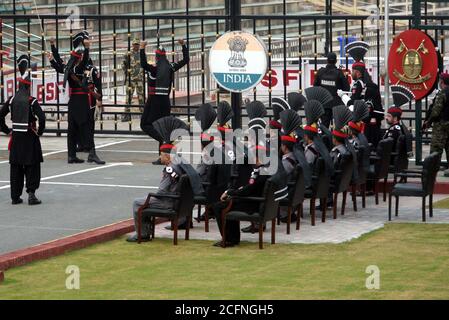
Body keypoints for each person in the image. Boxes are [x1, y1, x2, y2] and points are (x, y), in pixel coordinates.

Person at [0, 57, 45, 205]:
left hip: (17, 137)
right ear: (28, 86)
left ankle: (15, 196)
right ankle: (31, 194)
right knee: (32, 165)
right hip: (30, 136)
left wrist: (7, 130)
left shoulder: (12, 99)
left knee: (16, 167)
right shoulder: (32, 101)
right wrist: (40, 131)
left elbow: (0, 115)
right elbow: (42, 117)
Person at [140, 39, 189, 165]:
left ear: (156, 58)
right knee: (162, 128)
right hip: (165, 102)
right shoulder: (170, 68)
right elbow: (186, 60)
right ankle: (163, 153)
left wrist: (142, 48)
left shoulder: (154, 69)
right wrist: (183, 45)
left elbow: (143, 64)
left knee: (145, 124)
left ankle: (164, 141)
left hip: (154, 102)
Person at [339, 41, 384, 149]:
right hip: (374, 120)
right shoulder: (370, 84)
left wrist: (342, 96)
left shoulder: (358, 83)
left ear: (358, 73)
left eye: (353, 70)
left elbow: (352, 102)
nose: (351, 72)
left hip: (363, 121)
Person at [314, 52, 350, 128]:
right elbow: (347, 88)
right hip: (336, 105)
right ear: (336, 61)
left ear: (327, 60)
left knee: (324, 127)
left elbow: (315, 87)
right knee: (338, 127)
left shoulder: (320, 72)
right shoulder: (339, 73)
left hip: (324, 104)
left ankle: (325, 139)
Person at [423, 72, 449, 176]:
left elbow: (436, 111)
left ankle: (432, 169)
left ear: (442, 82)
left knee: (436, 148)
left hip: (441, 125)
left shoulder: (442, 92)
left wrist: (428, 122)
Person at [383, 85, 415, 152]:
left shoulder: (393, 130)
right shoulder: (400, 128)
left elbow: (388, 147)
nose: (386, 118)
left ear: (395, 118)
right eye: (386, 116)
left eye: (389, 116)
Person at [122, 37, 145, 122]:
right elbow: (123, 64)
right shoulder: (128, 53)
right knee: (128, 98)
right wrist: (128, 73)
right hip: (130, 79)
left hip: (139, 79)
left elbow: (144, 64)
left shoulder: (141, 53)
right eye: (134, 44)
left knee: (141, 97)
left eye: (137, 44)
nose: (136, 46)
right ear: (132, 45)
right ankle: (126, 115)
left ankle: (143, 115)